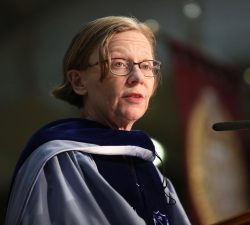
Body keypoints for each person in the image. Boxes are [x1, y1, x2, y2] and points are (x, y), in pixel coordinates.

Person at [5, 16, 191, 225]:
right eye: (119, 64)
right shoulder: (63, 161)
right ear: (78, 81)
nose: (137, 77)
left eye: (147, 66)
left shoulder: (152, 170)